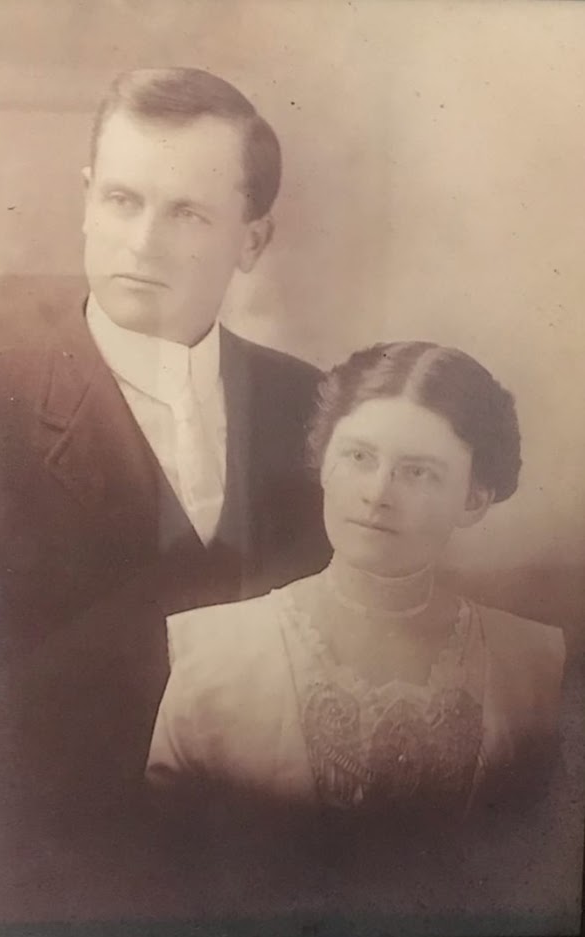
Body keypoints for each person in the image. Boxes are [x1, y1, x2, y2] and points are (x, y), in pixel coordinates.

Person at [0, 68, 330, 920]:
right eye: (123, 201)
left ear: (253, 240)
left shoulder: (314, 409)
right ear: (86, 200)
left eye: (188, 213)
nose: (144, 243)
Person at [147, 340, 566, 823]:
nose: (377, 494)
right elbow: (167, 864)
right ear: (324, 464)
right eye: (359, 457)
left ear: (473, 500)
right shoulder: (215, 652)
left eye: (418, 472)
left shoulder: (532, 665)